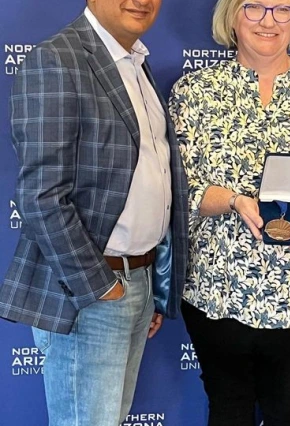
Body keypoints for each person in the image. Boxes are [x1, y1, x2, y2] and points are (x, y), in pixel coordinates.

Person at [169, 1, 290, 425]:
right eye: (253, 7)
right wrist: (234, 201)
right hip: (217, 285)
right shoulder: (193, 93)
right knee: (228, 406)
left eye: (282, 8)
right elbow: (177, 191)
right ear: (232, 16)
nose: (268, 20)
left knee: (289, 408)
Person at [0, 0, 188, 425]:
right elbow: (40, 196)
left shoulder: (135, 63)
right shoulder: (57, 59)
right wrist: (100, 288)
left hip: (136, 280)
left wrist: (148, 283)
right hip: (89, 290)